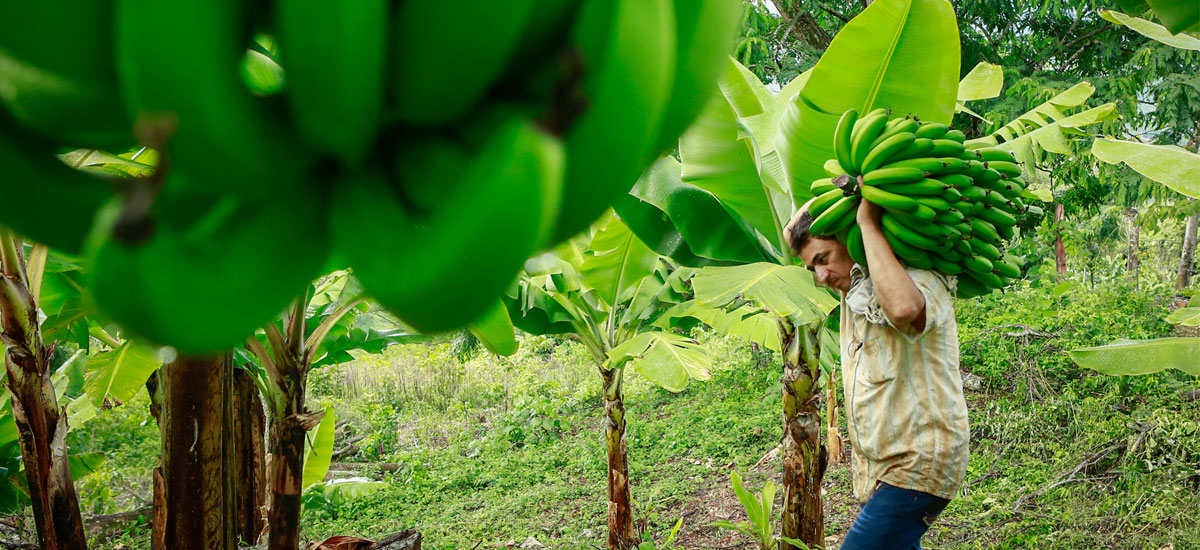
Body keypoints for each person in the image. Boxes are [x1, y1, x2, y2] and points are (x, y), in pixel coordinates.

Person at [784, 198, 969, 550]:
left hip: (917, 464)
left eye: (823, 259)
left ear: (849, 237)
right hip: (882, 472)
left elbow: (903, 310)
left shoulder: (916, 275)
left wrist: (866, 221)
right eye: (811, 268)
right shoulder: (854, 292)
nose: (820, 277)